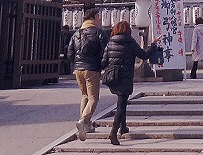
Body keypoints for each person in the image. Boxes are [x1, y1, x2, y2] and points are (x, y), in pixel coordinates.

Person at [102, 21, 159, 146]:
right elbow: (144, 56)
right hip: (125, 77)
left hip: (113, 78)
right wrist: (153, 45)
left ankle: (123, 127)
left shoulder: (110, 42)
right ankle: (113, 132)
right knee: (121, 105)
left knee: (122, 101)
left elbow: (104, 62)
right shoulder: (131, 42)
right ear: (128, 30)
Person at [67, 9, 109, 140]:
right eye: (99, 17)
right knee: (93, 98)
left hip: (78, 69)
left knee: (84, 95)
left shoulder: (76, 33)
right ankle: (83, 120)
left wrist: (75, 64)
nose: (100, 20)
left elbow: (69, 53)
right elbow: (105, 52)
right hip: (92, 68)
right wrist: (102, 66)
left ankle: (87, 124)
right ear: (95, 17)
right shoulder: (99, 33)